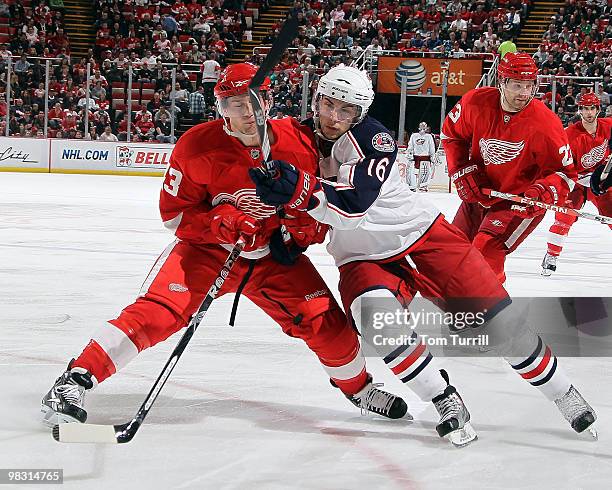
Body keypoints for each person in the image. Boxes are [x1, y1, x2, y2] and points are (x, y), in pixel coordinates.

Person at [41, 63, 407, 429]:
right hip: (209, 253)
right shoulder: (197, 145)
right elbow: (174, 215)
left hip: (272, 260)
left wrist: (295, 234)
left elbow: (321, 210)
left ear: (268, 99)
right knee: (157, 313)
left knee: (327, 325)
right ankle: (74, 380)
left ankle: (359, 389)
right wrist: (220, 223)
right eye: (234, 104)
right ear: (220, 108)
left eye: (253, 101)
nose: (247, 113)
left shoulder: (299, 142)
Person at [251, 64, 597, 443]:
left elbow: (351, 208)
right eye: (329, 105)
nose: (335, 118)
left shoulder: (374, 139)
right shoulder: (292, 136)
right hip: (361, 255)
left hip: (423, 236)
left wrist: (297, 191)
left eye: (346, 110)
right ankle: (443, 398)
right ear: (315, 100)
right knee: (375, 322)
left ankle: (563, 392)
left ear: (361, 113)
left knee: (496, 323)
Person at [440, 52, 577, 283]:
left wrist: (543, 192)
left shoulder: (546, 123)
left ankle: (492, 312)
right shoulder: (475, 102)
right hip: (480, 193)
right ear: (501, 82)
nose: (524, 93)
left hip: (519, 202)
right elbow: (451, 136)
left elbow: (565, 174)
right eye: (517, 85)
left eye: (529, 85)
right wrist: (462, 170)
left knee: (485, 252)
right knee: (454, 252)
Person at [542, 93, 612, 275]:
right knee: (564, 217)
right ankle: (551, 255)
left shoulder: (608, 125)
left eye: (592, 108)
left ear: (598, 109)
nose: (588, 113)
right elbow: (561, 165)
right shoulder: (569, 135)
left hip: (601, 181)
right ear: (579, 110)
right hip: (577, 182)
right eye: (585, 109)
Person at [406, 122, 438, 192]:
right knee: (410, 171)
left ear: (426, 128)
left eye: (424, 126)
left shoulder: (429, 136)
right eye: (421, 126)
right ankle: (411, 186)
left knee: (425, 172)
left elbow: (431, 147)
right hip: (415, 156)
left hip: (425, 157)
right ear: (418, 127)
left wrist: (433, 156)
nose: (423, 128)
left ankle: (423, 186)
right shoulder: (414, 136)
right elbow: (410, 145)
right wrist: (409, 153)